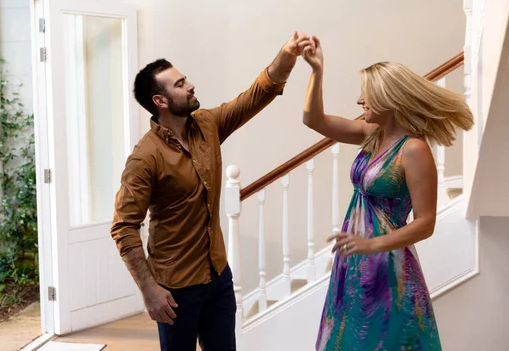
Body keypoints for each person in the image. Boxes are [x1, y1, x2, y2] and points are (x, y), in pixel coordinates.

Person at [111, 32, 312, 351]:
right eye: (179, 84)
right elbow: (123, 228)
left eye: (185, 79)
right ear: (160, 102)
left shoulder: (207, 124)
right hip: (175, 289)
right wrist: (149, 290)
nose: (190, 85)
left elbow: (256, 95)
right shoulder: (144, 157)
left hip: (218, 276)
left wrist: (288, 54)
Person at [301, 36, 473, 350]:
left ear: (387, 99)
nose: (358, 101)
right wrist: (316, 72)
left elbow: (426, 222)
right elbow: (313, 120)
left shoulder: (413, 150)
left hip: (387, 268)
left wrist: (372, 244)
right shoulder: (372, 134)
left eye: (365, 95)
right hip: (354, 263)